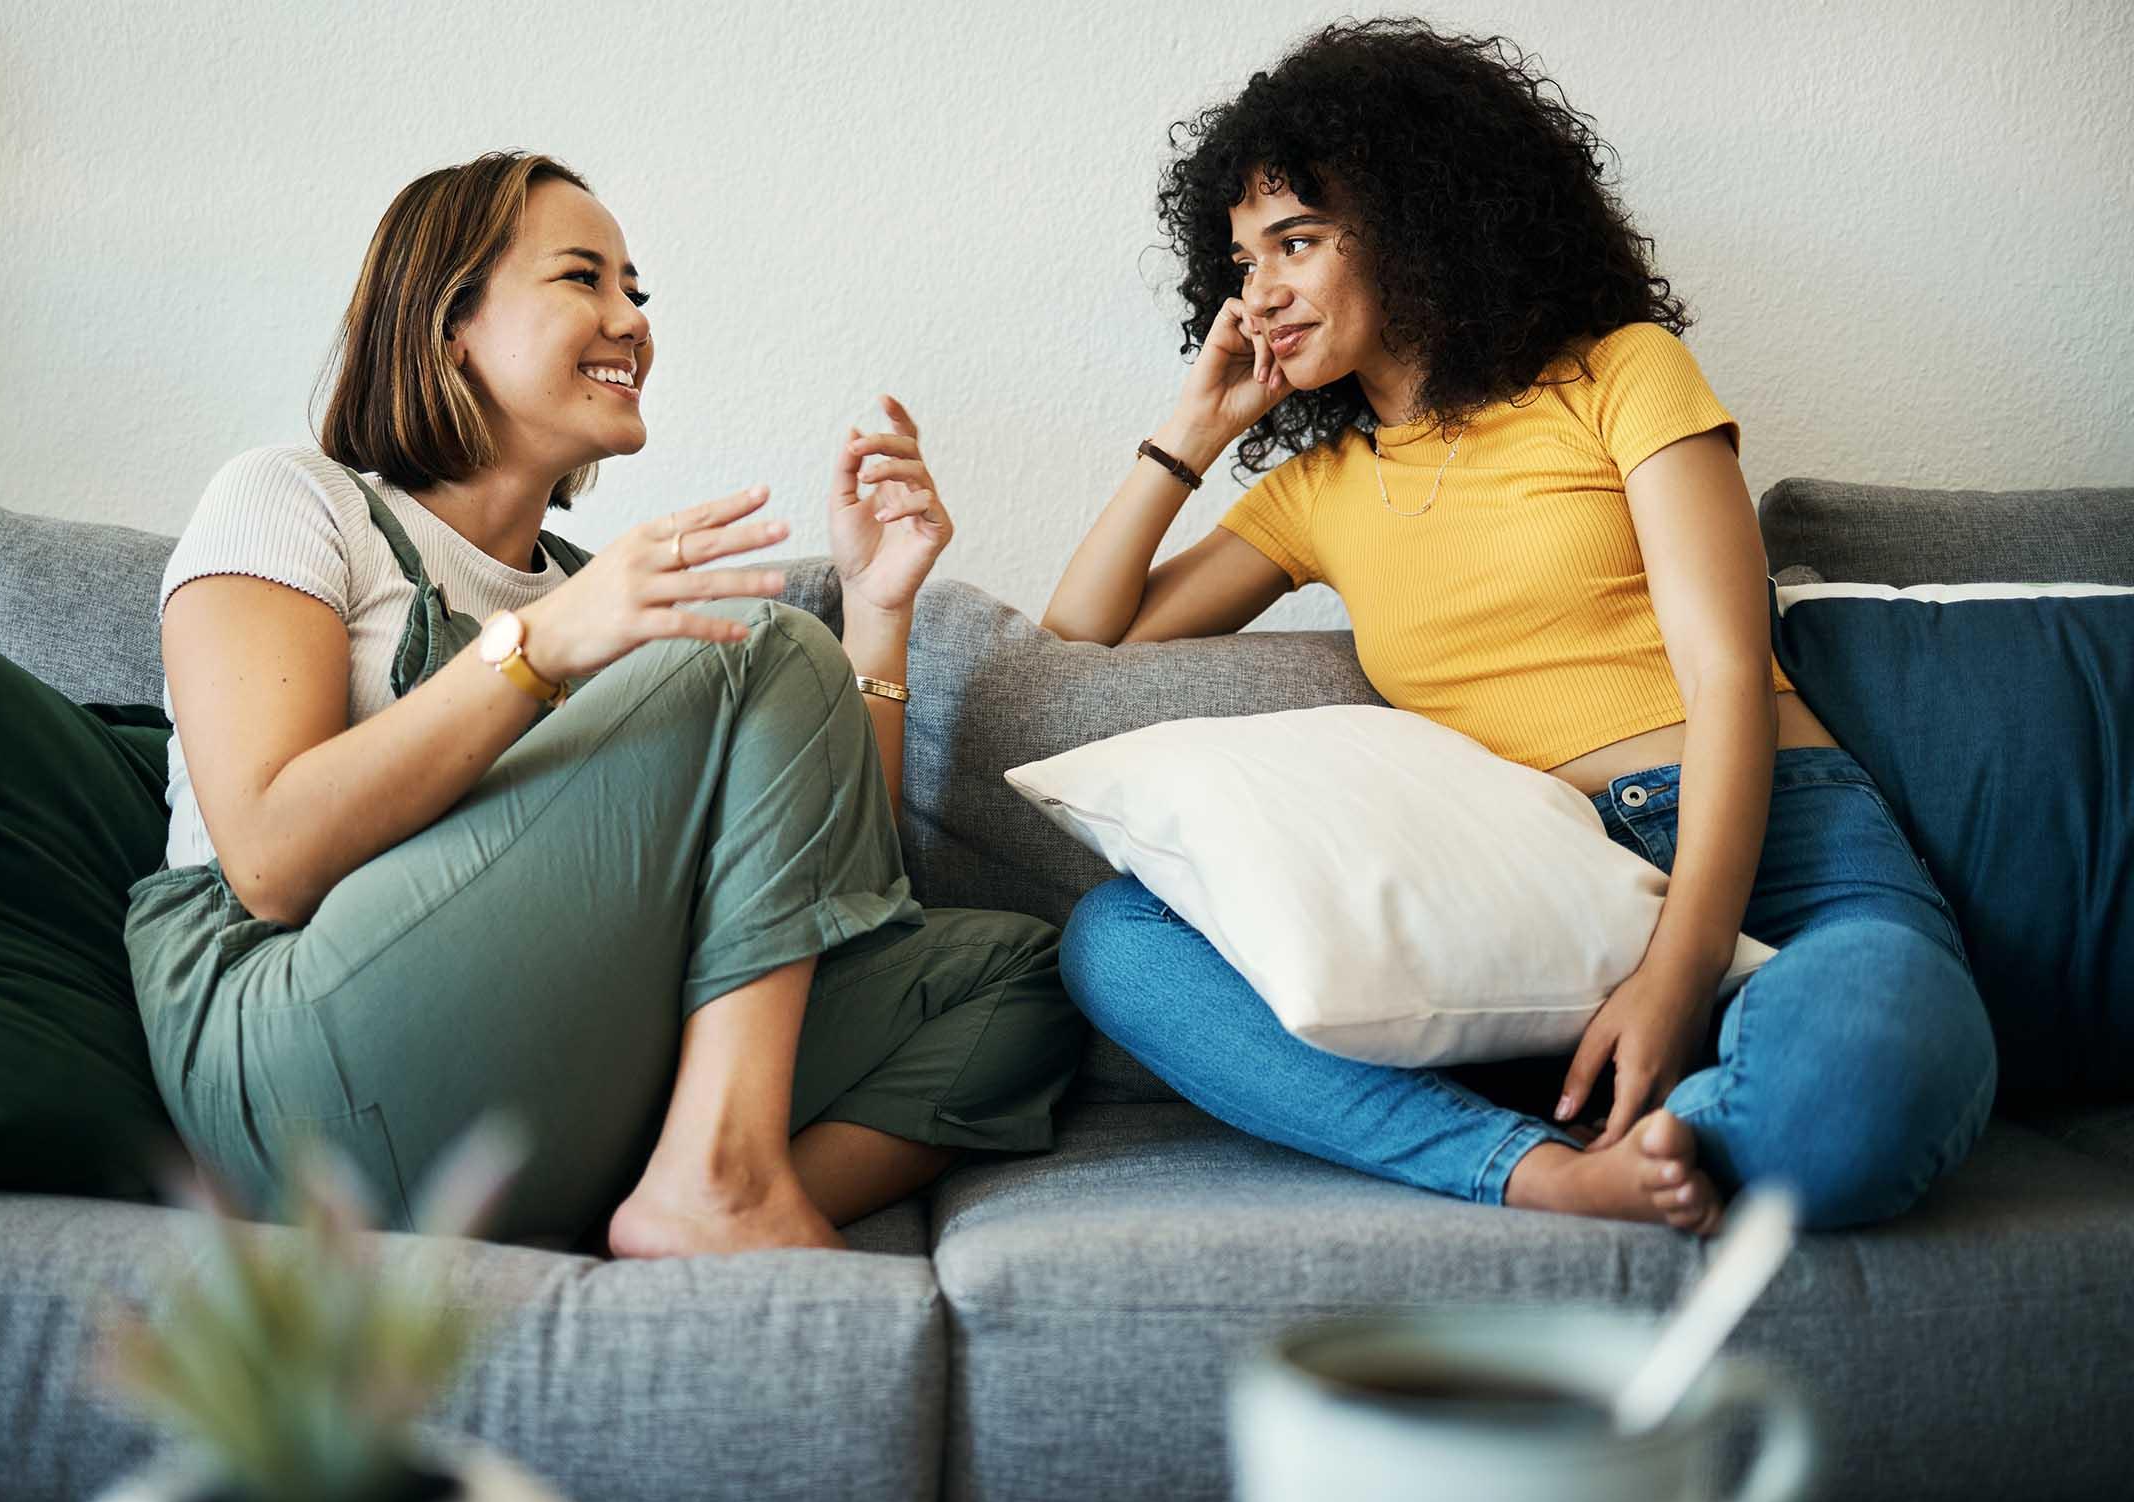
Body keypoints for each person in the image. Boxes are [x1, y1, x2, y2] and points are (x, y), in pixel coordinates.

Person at [1042, 20, 1994, 1233]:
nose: (1260, 291)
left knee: (1870, 1075)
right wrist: (1191, 433)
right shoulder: (1321, 491)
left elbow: (1724, 679)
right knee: (1118, 939)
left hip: (1778, 853)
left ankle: (1692, 1118)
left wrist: (1680, 965)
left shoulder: (1621, 376)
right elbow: (1082, 639)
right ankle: (1541, 1169)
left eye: (1297, 241)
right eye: (1243, 259)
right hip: (1523, 896)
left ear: (1419, 219)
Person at [124, 150, 1085, 1257]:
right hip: (294, 1054)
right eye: (584, 278)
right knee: (762, 643)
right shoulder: (295, 501)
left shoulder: (598, 587)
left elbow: (822, 886)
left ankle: (682, 1189)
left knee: (1026, 978)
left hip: (543, 1072)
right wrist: (541, 644)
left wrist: (875, 614)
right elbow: (268, 857)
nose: (631, 318)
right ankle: (717, 1179)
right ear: (451, 325)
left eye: (637, 290)